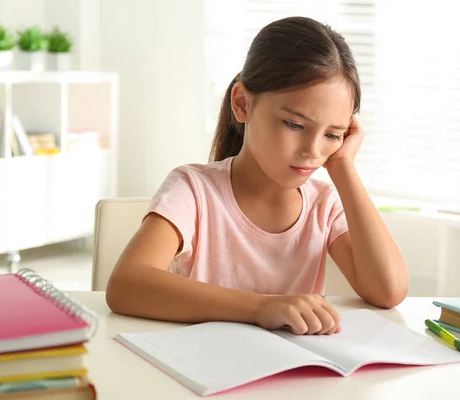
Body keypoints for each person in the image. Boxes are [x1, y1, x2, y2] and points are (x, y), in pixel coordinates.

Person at [106, 16, 408, 336]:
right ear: (242, 104)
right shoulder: (193, 190)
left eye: (333, 135)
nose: (312, 150)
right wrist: (261, 307)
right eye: (294, 125)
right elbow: (127, 284)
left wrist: (343, 168)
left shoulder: (324, 205)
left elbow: (388, 291)